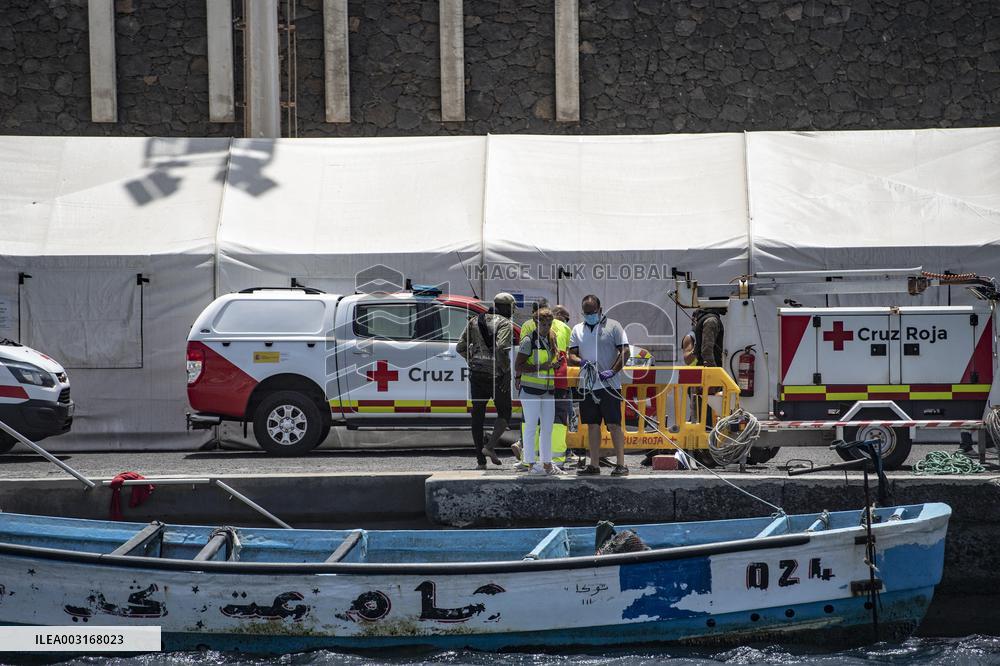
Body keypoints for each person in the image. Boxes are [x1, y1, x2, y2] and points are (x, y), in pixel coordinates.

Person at [568, 295, 630, 476]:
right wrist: (581, 362)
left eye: (592, 312)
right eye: (586, 313)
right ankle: (593, 464)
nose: (589, 316)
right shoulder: (577, 329)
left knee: (614, 424)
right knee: (592, 425)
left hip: (609, 385)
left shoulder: (614, 326)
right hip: (588, 385)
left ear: (600, 310)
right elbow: (571, 354)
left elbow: (625, 351)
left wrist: (613, 370)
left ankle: (621, 464)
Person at [456, 293, 515, 470]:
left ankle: (480, 462)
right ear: (504, 308)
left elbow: (460, 347)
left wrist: (472, 360)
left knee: (478, 417)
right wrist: (506, 373)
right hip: (497, 377)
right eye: (511, 308)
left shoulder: (474, 321)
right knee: (505, 413)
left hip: (477, 375)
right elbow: (500, 348)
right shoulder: (505, 324)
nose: (512, 311)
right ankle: (489, 447)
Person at [514, 300, 573, 468]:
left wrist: (555, 364)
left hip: (548, 391)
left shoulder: (551, 339)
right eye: (543, 324)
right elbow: (518, 366)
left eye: (549, 324)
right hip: (531, 391)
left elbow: (553, 360)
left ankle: (547, 464)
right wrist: (542, 366)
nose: (546, 327)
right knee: (531, 427)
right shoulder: (528, 340)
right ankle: (531, 464)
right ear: (535, 323)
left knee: (547, 428)